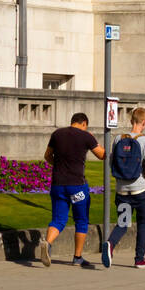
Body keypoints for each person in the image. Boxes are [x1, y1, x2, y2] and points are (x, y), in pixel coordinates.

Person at [41, 112, 105, 268]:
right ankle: (77, 257)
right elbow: (102, 155)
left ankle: (48, 243)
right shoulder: (86, 136)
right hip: (77, 187)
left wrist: (58, 165)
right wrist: (93, 138)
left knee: (58, 219)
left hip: (58, 185)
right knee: (81, 220)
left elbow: (47, 156)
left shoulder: (57, 134)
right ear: (83, 123)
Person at [102, 106, 145, 269]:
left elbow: (111, 163)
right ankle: (139, 259)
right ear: (144, 122)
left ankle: (110, 244)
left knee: (123, 223)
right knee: (143, 224)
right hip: (139, 190)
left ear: (132, 120)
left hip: (122, 191)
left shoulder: (118, 139)